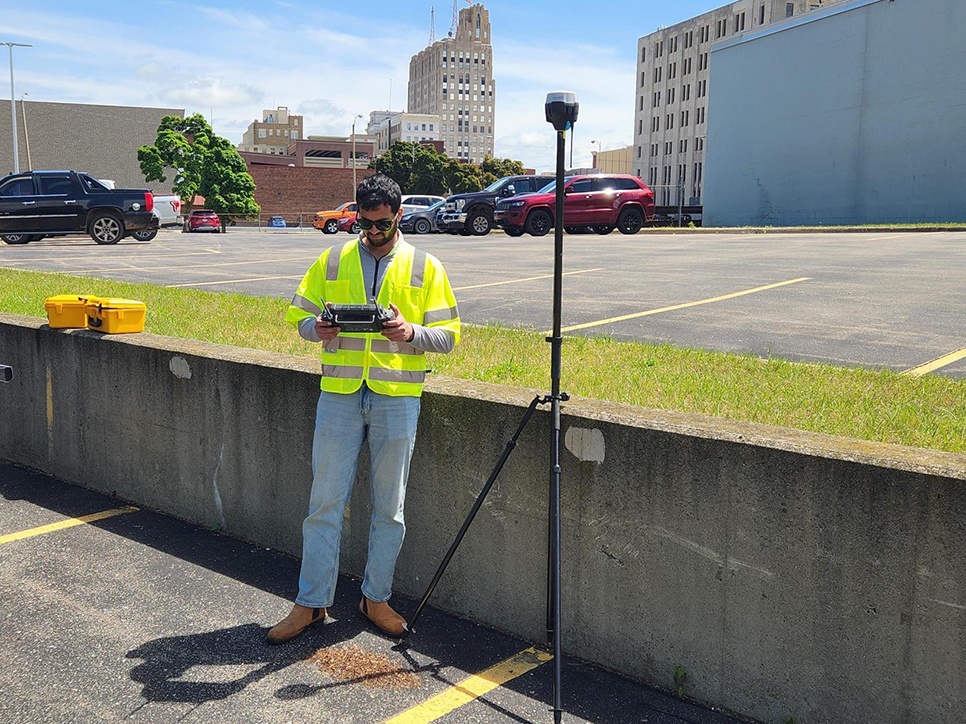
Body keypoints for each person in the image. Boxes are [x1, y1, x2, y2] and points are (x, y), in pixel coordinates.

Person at [267, 174, 461, 644]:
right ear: (357, 215)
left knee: (389, 508)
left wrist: (410, 333)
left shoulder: (425, 265)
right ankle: (311, 604)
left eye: (383, 223)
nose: (374, 232)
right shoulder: (332, 258)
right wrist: (319, 329)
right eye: (366, 223)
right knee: (324, 504)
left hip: (397, 400)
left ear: (398, 215)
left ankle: (376, 598)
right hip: (340, 395)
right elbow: (300, 319)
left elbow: (449, 338)